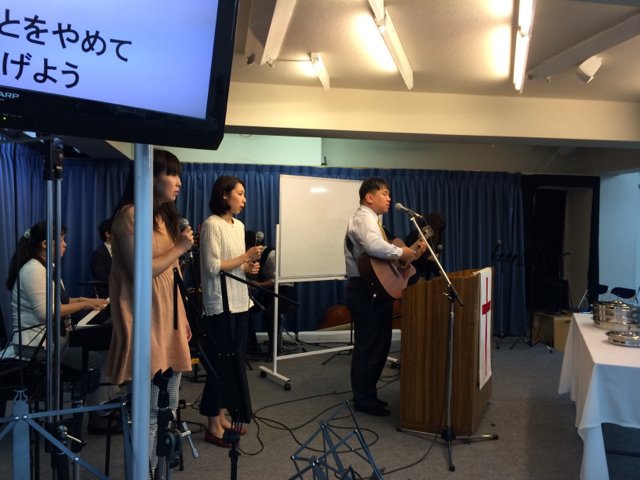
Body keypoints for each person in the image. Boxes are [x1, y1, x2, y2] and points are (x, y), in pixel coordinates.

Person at [106, 149, 193, 477]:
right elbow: (141, 270)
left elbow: (174, 274)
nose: (179, 182)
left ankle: (159, 471)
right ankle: (143, 472)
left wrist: (183, 318)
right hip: (146, 320)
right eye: (172, 174)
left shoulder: (163, 217)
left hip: (170, 319)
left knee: (167, 409)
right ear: (150, 175)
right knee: (148, 415)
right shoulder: (131, 215)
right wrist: (179, 247)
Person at [5, 220, 116, 432]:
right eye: (62, 240)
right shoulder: (33, 270)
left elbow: (59, 302)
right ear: (46, 244)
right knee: (96, 360)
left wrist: (85, 300)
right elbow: (46, 312)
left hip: (51, 339)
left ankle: (105, 407)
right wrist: (83, 305)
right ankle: (97, 416)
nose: (65, 244)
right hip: (35, 344)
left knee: (104, 350)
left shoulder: (45, 267)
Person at [344, 177, 426, 416]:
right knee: (368, 347)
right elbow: (373, 246)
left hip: (376, 290)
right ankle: (363, 400)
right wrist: (402, 251)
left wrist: (412, 254)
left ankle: (368, 394)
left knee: (379, 346)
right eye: (385, 194)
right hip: (364, 290)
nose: (389, 199)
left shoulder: (375, 221)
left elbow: (384, 261)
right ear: (369, 197)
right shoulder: (364, 218)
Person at [199, 175, 262, 448]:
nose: (244, 199)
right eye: (240, 193)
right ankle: (212, 424)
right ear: (225, 195)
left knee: (234, 364)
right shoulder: (211, 225)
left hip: (240, 302)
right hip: (220, 305)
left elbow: (235, 266)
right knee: (220, 364)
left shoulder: (240, 226)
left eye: (244, 194)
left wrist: (248, 268)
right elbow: (213, 267)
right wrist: (245, 257)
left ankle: (222, 416)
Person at [245, 230, 296, 359]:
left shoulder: (271, 255)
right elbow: (257, 277)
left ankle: (274, 349)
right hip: (269, 292)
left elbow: (277, 279)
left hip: (284, 291)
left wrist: (259, 285)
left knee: (270, 312)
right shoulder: (255, 259)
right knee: (245, 309)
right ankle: (252, 345)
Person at [405, 211, 446, 286]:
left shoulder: (432, 240)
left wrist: (439, 272)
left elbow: (431, 263)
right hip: (412, 279)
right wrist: (428, 258)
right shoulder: (414, 236)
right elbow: (408, 259)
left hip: (424, 279)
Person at [90, 218, 113, 298]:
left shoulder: (123, 251)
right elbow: (100, 276)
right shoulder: (98, 253)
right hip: (106, 295)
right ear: (108, 234)